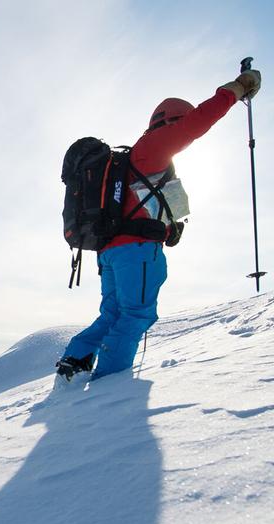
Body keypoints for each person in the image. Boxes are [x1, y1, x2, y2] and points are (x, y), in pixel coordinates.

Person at [56, 67, 262, 381]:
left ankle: (74, 359)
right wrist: (236, 89)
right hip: (135, 252)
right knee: (136, 314)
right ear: (171, 121)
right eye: (181, 121)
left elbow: (137, 207)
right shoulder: (153, 147)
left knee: (112, 313)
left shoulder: (134, 160)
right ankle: (106, 385)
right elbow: (196, 124)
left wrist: (167, 230)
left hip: (110, 251)